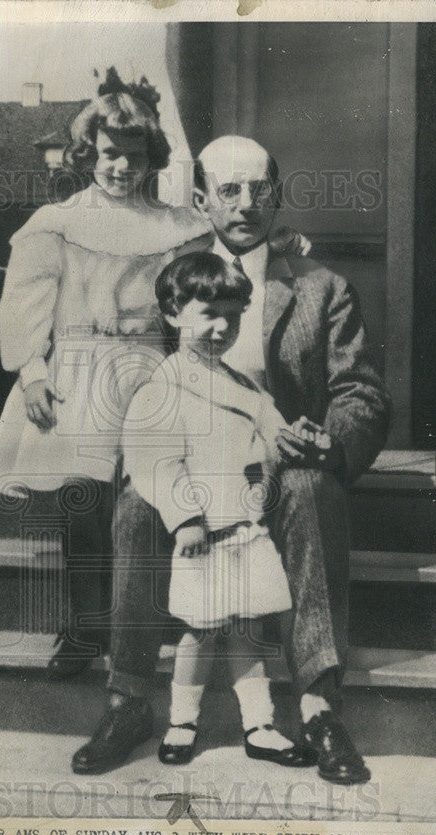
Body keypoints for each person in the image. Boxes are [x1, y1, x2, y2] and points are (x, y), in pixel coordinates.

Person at [72, 135, 391, 786]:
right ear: (200, 200)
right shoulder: (168, 281)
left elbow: (360, 391)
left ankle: (319, 706)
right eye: (229, 190)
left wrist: (333, 438)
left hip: (279, 461)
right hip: (190, 456)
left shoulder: (320, 288)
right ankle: (128, 701)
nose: (246, 203)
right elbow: (132, 375)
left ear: (275, 199)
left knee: (309, 486)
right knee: (136, 502)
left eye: (259, 190)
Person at [0, 84, 211, 676]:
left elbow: (201, 288)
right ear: (89, 152)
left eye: (134, 156)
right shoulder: (57, 223)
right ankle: (84, 628)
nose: (121, 167)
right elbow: (24, 301)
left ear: (151, 157)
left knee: (145, 496)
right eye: (110, 153)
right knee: (82, 501)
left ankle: (142, 617)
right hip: (78, 371)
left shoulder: (173, 226)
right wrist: (32, 372)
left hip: (147, 370)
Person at [123, 252, 317, 768]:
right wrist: (184, 518)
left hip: (245, 528)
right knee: (200, 630)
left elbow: (271, 429)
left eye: (232, 317)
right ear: (172, 312)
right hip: (203, 532)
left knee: (248, 627)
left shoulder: (244, 385)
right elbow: (157, 460)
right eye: (208, 314)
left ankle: (259, 725)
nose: (221, 328)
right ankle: (182, 721)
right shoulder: (163, 386)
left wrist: (294, 437)